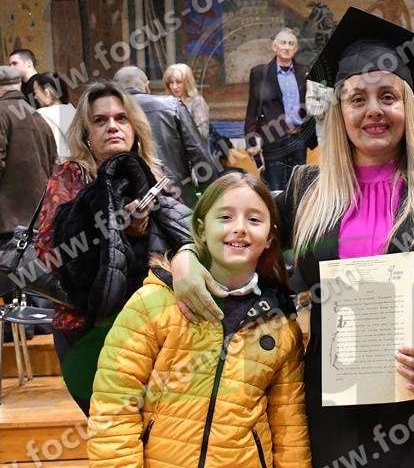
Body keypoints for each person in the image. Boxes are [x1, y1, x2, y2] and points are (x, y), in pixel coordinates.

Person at [171, 7, 414, 467]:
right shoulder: (306, 191)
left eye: (388, 96)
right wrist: (187, 256)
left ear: (408, 107)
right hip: (337, 409)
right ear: (340, 111)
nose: (373, 110)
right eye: (357, 98)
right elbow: (228, 227)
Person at [88, 172, 311, 467]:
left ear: (270, 237)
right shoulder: (152, 303)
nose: (240, 228)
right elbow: (114, 405)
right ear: (202, 230)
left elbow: (289, 426)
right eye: (226, 217)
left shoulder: (280, 325)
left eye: (254, 220)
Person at [34, 82, 191, 414]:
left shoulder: (153, 174)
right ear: (86, 134)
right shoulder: (72, 176)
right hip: (87, 330)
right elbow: (49, 254)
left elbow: (182, 240)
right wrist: (114, 228)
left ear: (135, 127)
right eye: (100, 120)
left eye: (121, 118)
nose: (112, 126)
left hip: (151, 328)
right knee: (111, 429)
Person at [114, 66, 218, 205]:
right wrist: (210, 199)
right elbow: (198, 152)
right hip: (176, 195)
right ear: (147, 86)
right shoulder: (172, 105)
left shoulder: (106, 114)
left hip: (128, 202)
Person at [244, 28, 314, 191]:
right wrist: (250, 141)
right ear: (274, 47)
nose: (287, 47)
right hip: (272, 138)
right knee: (275, 188)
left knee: (298, 187)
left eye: (291, 44)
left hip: (298, 138)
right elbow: (252, 109)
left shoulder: (304, 72)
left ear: (295, 49)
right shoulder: (260, 73)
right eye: (283, 43)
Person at [0, 66, 57, 240]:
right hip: (36, 223)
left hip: (5, 223)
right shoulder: (38, 117)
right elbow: (54, 167)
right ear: (19, 85)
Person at [34, 72, 77, 161]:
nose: (35, 97)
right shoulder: (75, 112)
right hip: (81, 166)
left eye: (36, 92)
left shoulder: (40, 116)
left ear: (47, 93)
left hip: (58, 167)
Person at [163, 62, 210, 142]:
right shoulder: (167, 101)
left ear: (187, 82)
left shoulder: (197, 101)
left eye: (178, 82)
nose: (174, 86)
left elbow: (202, 133)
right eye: (171, 82)